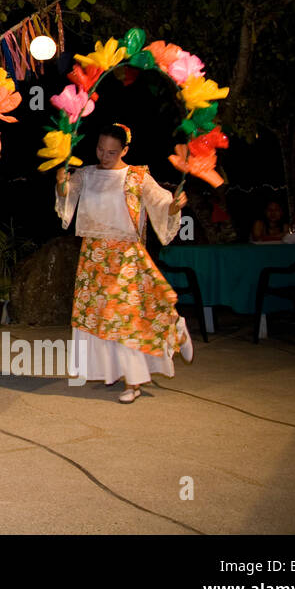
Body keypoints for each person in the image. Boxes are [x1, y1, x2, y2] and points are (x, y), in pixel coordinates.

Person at [54, 123, 192, 403]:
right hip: (93, 256)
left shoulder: (137, 176)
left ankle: (134, 381)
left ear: (125, 150)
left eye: (112, 152)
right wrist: (61, 184)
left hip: (125, 256)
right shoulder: (87, 174)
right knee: (100, 318)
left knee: (123, 318)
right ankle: (120, 367)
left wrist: (175, 206)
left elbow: (162, 203)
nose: (104, 156)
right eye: (100, 150)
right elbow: (66, 195)